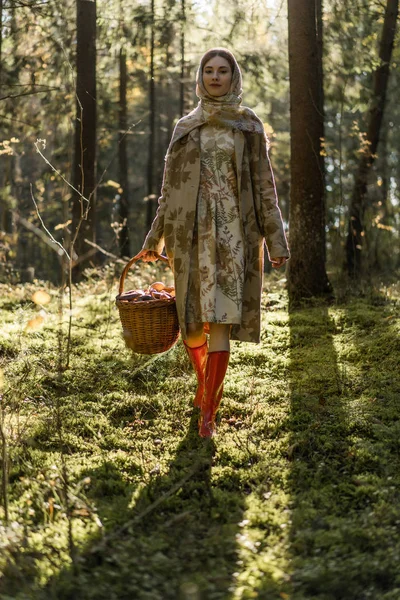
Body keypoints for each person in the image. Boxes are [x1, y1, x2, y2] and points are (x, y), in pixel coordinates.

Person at [137, 48, 289, 438]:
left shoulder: (248, 125)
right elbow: (169, 190)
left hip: (234, 233)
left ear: (233, 76)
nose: (216, 77)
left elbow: (263, 185)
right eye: (209, 70)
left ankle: (209, 409)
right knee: (191, 326)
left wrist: (276, 240)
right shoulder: (186, 125)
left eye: (223, 71)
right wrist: (155, 235)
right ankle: (204, 386)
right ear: (200, 77)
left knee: (221, 318)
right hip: (190, 234)